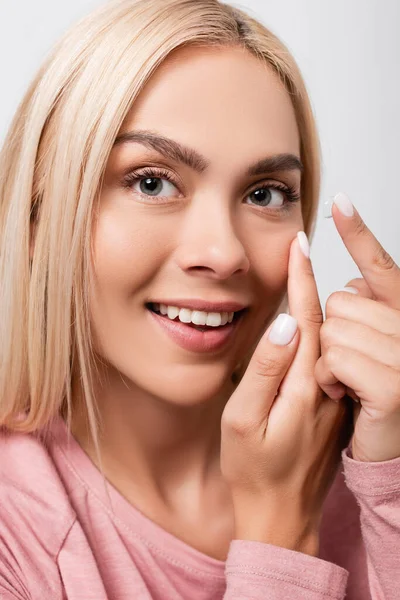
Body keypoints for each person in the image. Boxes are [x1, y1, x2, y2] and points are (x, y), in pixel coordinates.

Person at [0, 0, 399, 598]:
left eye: (265, 194)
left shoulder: (380, 451)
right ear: (39, 217)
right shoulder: (15, 531)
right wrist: (278, 536)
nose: (223, 252)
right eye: (151, 181)